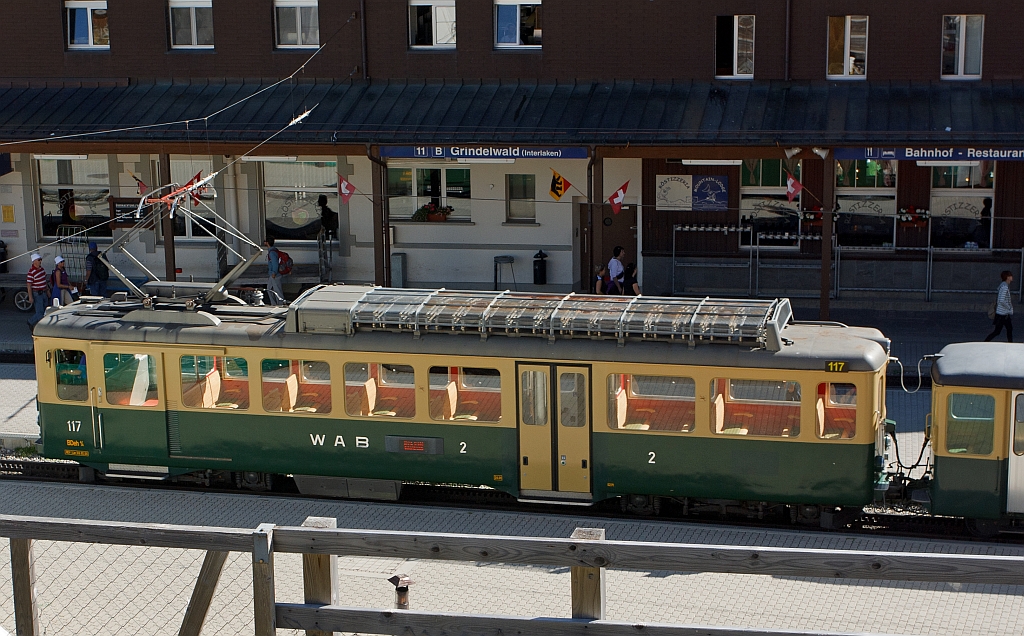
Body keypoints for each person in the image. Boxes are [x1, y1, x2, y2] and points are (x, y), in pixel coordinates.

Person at [984, 270, 1014, 342]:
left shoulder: (1003, 286)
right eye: (1010, 276)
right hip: (1002, 313)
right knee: (998, 331)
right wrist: (1009, 307)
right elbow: (1001, 300)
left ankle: (1010, 343)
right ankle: (986, 341)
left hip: (1003, 313)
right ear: (1007, 277)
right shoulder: (1004, 287)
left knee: (1008, 329)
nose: (1012, 277)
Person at [26, 253, 49, 328]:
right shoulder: (31, 272)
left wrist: (47, 290)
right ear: (34, 261)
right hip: (37, 294)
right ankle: (39, 326)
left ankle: (32, 321)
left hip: (44, 292)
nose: (40, 261)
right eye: (39, 260)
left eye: (40, 260)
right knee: (40, 312)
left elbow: (44, 280)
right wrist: (30, 297)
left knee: (45, 309)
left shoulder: (42, 269)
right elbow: (29, 285)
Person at [265, 237, 284, 306]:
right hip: (272, 274)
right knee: (269, 288)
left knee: (277, 290)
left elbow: (275, 263)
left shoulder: (272, 253)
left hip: (275, 274)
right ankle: (274, 303)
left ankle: (280, 303)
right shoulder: (273, 251)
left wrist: (274, 272)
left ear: (267, 243)